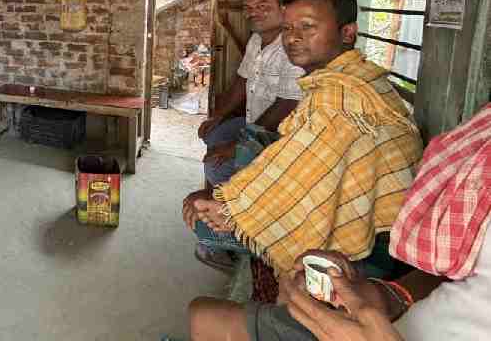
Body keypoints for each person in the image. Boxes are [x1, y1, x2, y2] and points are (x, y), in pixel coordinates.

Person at [188, 101, 491, 341]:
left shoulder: (347, 105)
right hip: (390, 318)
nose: (293, 37)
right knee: (200, 316)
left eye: (307, 26)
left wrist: (239, 205)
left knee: (215, 220)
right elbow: (463, 272)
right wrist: (389, 295)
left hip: (372, 323)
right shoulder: (483, 146)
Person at [184, 0, 423, 281]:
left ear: (347, 33)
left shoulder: (338, 100)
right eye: (288, 27)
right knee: (236, 154)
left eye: (307, 27)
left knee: (205, 219)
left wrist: (229, 205)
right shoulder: (352, 77)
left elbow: (301, 162)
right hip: (383, 223)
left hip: (372, 244)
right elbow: (301, 152)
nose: (293, 37)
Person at [186, 0, 305, 270]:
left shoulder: (293, 46)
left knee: (217, 164)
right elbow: (242, 81)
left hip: (278, 138)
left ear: (283, 7)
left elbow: (288, 103)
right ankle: (218, 202)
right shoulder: (256, 40)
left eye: (263, 5)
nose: (253, 12)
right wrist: (217, 116)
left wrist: (239, 145)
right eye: (248, 7)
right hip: (254, 123)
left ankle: (231, 234)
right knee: (215, 135)